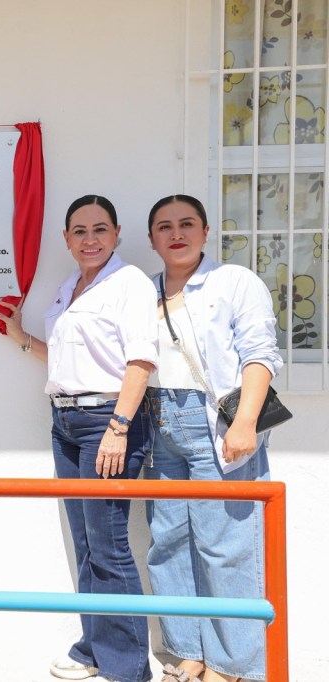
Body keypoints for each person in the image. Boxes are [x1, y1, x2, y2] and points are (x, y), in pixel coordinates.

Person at [0, 195, 157, 682]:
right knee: (87, 543)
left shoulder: (127, 283)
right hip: (65, 421)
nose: (90, 239)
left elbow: (140, 362)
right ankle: (94, 648)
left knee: (109, 546)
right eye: (80, 231)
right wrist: (21, 338)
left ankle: (129, 669)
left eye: (100, 229)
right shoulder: (71, 287)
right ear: (66, 239)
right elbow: (71, 363)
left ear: (117, 234)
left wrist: (119, 428)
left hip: (108, 421)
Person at [143, 195, 278, 682]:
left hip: (215, 423)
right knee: (168, 543)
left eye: (186, 224)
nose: (176, 233)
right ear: (152, 238)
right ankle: (187, 651)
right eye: (164, 226)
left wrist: (245, 422)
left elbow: (260, 354)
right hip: (159, 423)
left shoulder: (234, 281)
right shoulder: (145, 291)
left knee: (225, 546)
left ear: (204, 231)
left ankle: (234, 664)